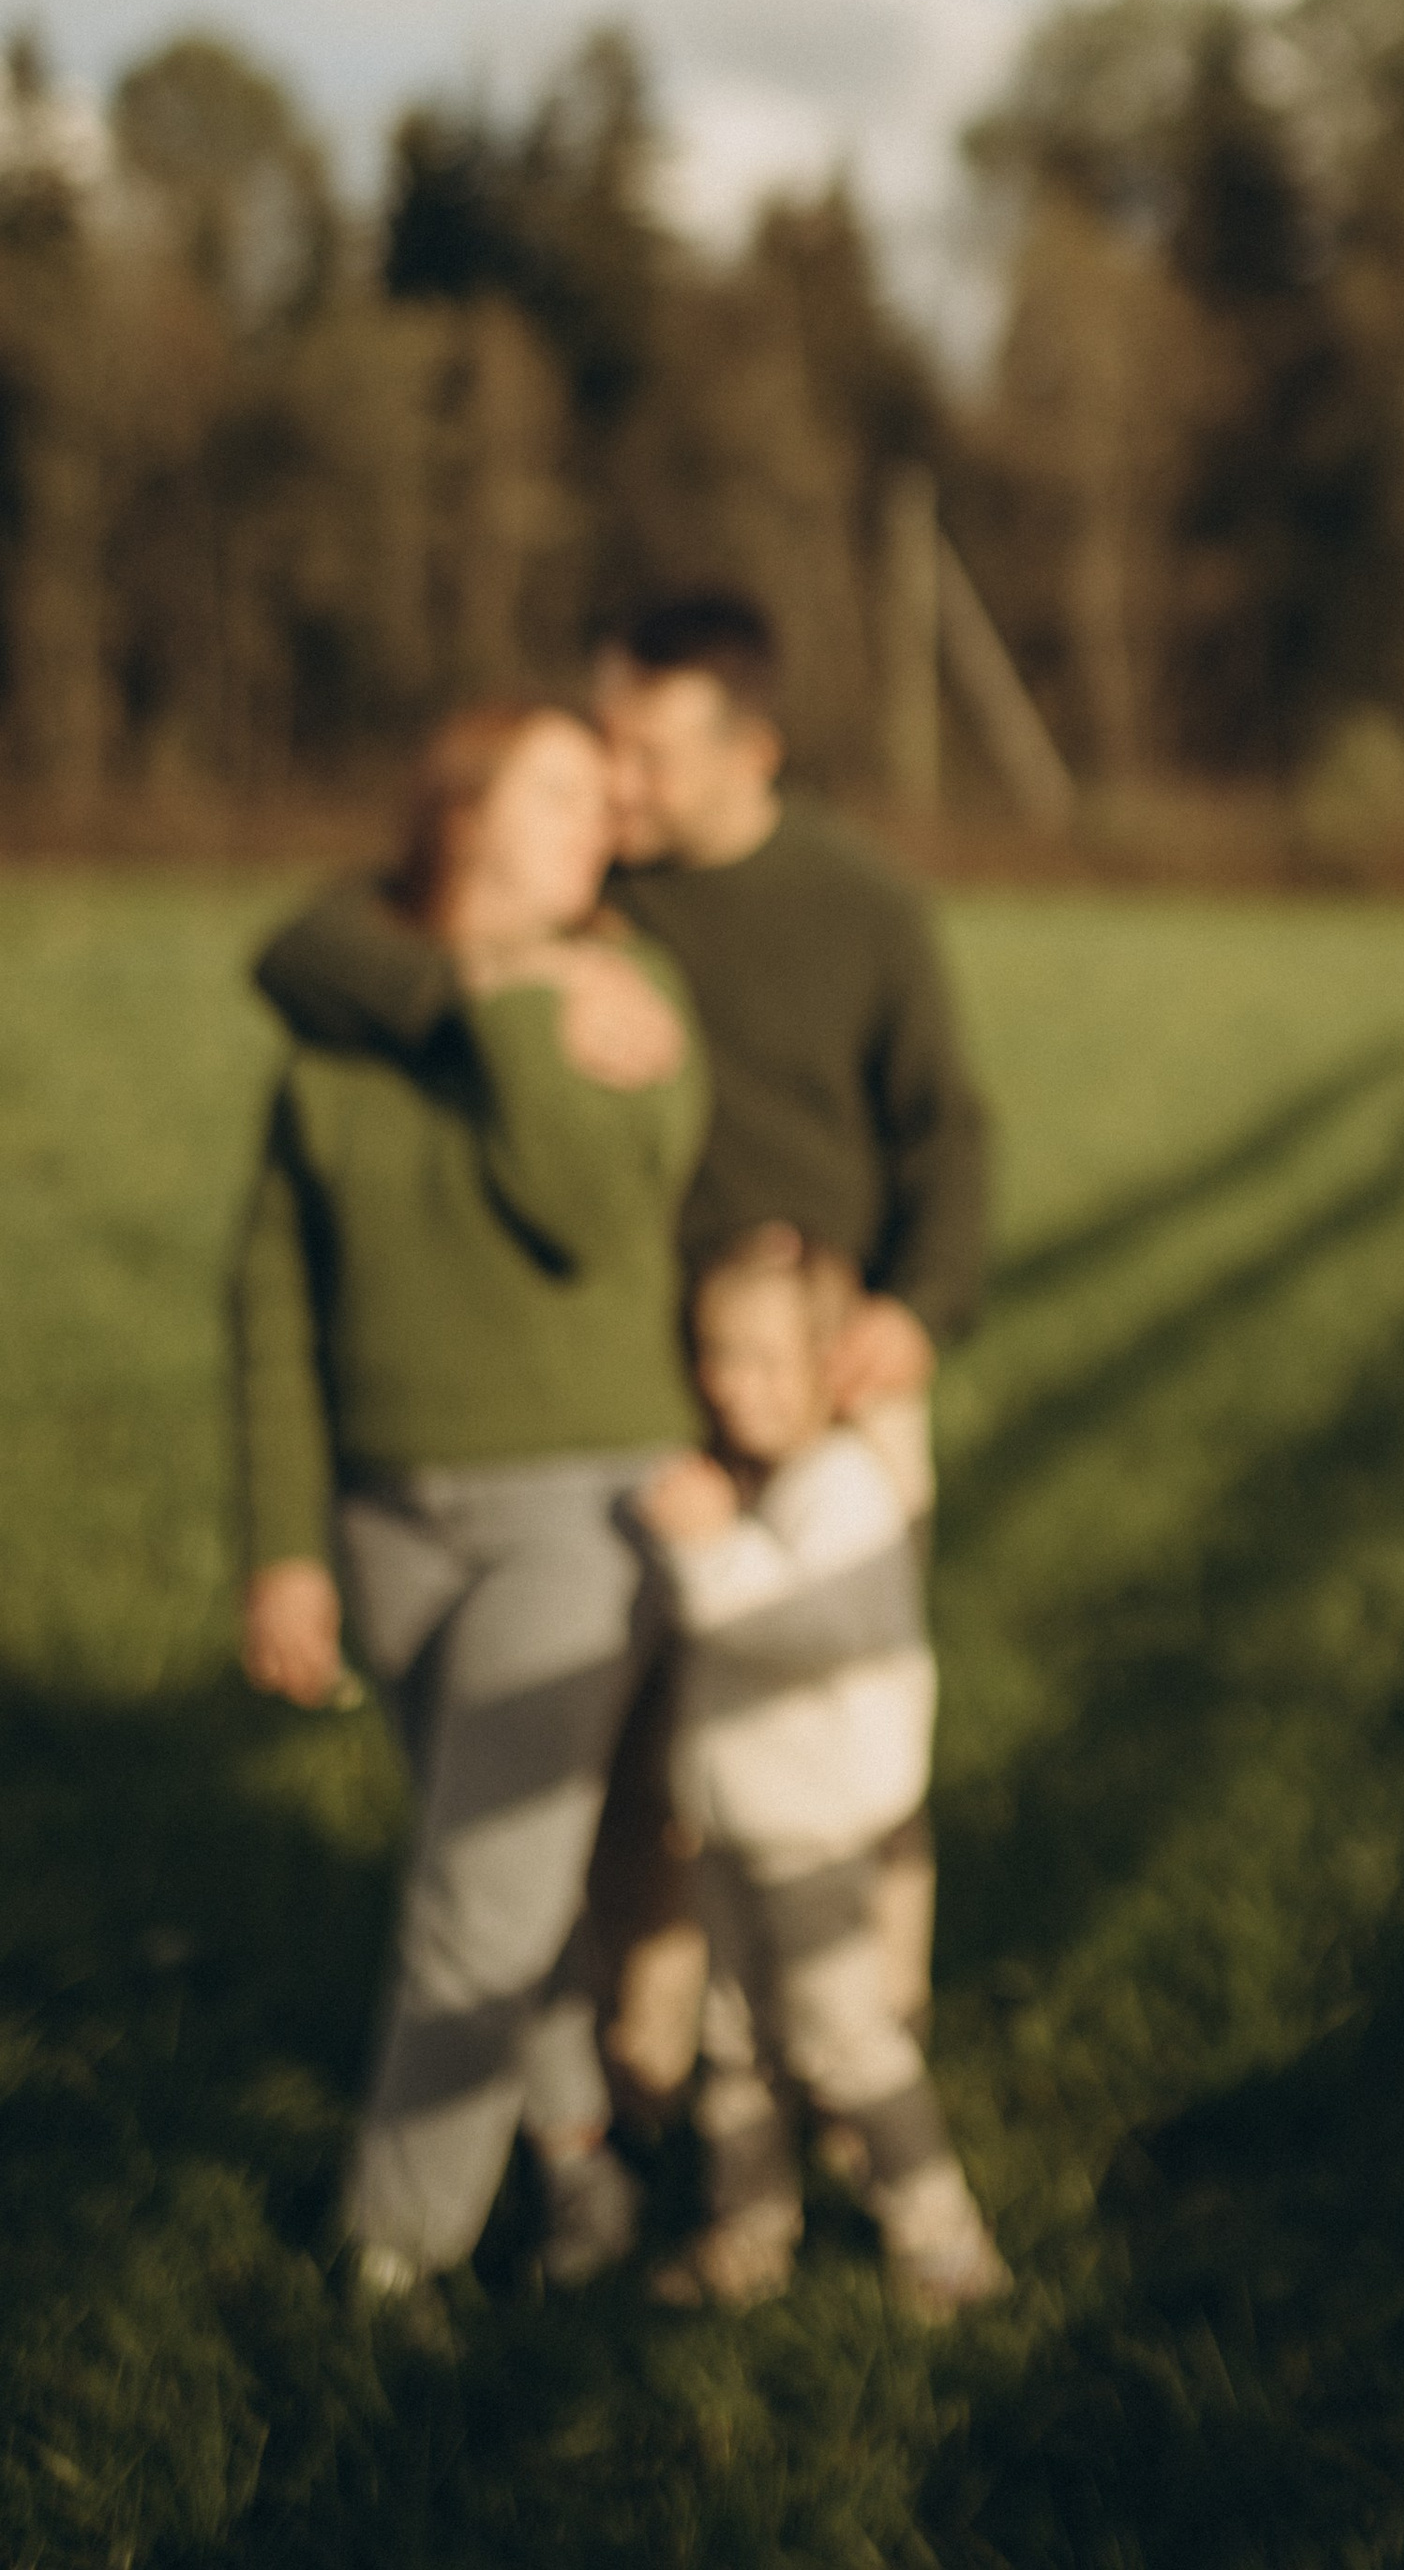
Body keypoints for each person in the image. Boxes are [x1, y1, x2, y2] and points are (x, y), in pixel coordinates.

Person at [252, 588, 989, 2074]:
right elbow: (299, 949)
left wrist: (918, 1312)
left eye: (649, 756)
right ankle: (659, 2066)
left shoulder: (863, 903)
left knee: (845, 1726)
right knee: (654, 1753)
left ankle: (859, 2043)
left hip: (836, 1375)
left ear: (752, 748)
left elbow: (947, 1133)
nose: (619, 788)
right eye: (604, 751)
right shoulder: (600, 899)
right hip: (664, 1375)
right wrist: (496, 977)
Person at [233, 702, 709, 2310]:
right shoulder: (347, 1018)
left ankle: (388, 2251)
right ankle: (579, 2177)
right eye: (569, 791)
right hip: (382, 1522)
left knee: (476, 1897)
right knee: (493, 1877)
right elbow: (275, 1308)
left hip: (581, 1516)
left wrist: (519, 1005)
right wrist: (287, 1547)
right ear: (462, 815)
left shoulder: (629, 1003)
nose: (612, 823)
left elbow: (583, 1211)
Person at [635, 1225, 1007, 2316]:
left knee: (846, 2040)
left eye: (762, 1359)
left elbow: (800, 1624)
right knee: (733, 2043)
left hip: (816, 1834)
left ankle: (944, 2242)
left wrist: (705, 1546)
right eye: (715, 1354)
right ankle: (748, 2232)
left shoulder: (847, 1490)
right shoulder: (766, 1479)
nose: (730, 1384)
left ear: (828, 1365)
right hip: (740, 1825)